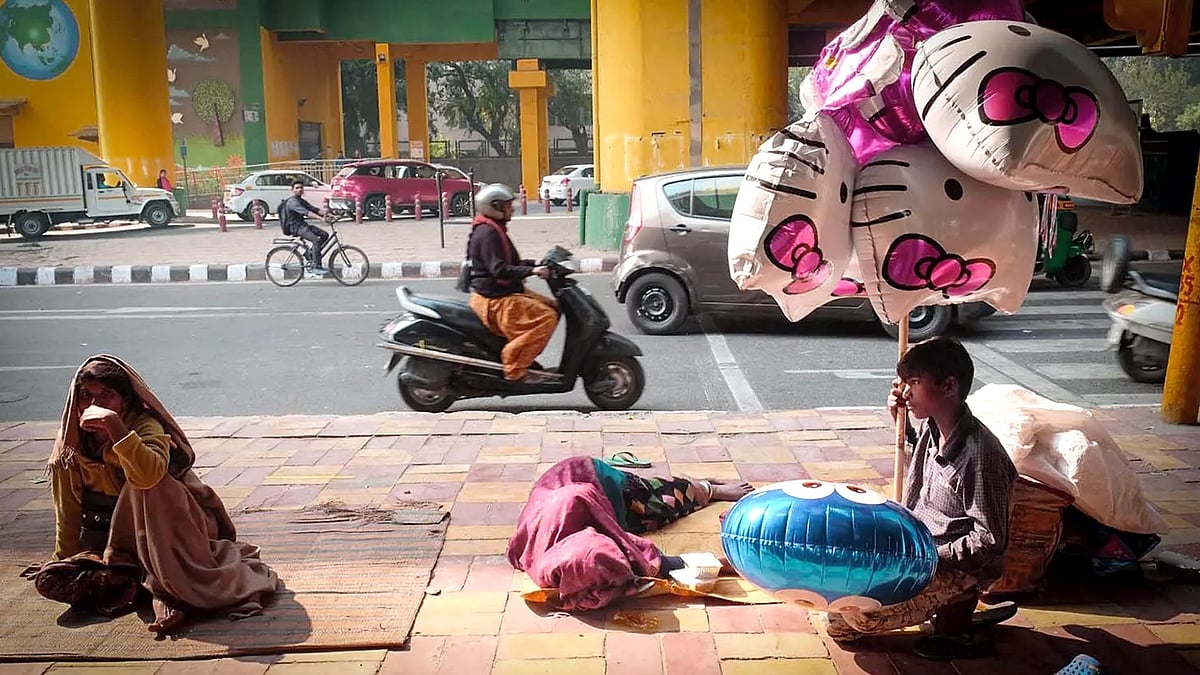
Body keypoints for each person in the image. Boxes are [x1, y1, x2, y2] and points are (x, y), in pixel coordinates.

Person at [37, 355, 278, 634]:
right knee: (50, 579)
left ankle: (167, 590)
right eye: (86, 396)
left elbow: (148, 477)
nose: (95, 405)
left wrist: (115, 427)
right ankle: (134, 582)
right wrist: (66, 559)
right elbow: (67, 507)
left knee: (145, 485)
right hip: (116, 544)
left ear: (125, 400)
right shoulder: (71, 440)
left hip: (171, 532)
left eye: (107, 395)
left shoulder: (145, 426)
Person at [819, 337, 1018, 660]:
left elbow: (989, 541)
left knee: (859, 619)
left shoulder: (979, 456)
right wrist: (903, 425)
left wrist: (927, 557)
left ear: (949, 386)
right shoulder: (934, 428)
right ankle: (948, 612)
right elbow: (925, 477)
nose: (905, 392)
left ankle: (958, 608)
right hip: (916, 547)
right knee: (837, 612)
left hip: (950, 563)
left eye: (914, 382)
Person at [506, 455, 753, 611]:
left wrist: (721, 564)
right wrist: (721, 564)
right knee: (645, 522)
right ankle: (691, 485)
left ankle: (706, 488)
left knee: (661, 503)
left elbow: (652, 562)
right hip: (564, 491)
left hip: (594, 478)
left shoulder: (577, 542)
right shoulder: (545, 560)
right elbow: (649, 564)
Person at [466, 183, 559, 384]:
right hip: (496, 301)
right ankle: (515, 368)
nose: (512, 209)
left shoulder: (493, 229)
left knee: (554, 306)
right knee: (547, 318)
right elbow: (499, 270)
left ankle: (525, 359)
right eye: (508, 206)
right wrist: (532, 271)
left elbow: (511, 264)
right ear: (496, 207)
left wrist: (536, 264)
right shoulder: (488, 234)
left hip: (501, 293)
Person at [282, 179, 329, 275]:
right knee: (315, 240)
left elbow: (314, 209)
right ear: (293, 190)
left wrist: (329, 214)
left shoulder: (301, 200)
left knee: (324, 234)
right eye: (297, 188)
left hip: (302, 225)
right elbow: (307, 213)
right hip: (295, 227)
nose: (299, 189)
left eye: (301, 188)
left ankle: (310, 254)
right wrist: (321, 219)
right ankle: (316, 266)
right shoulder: (292, 202)